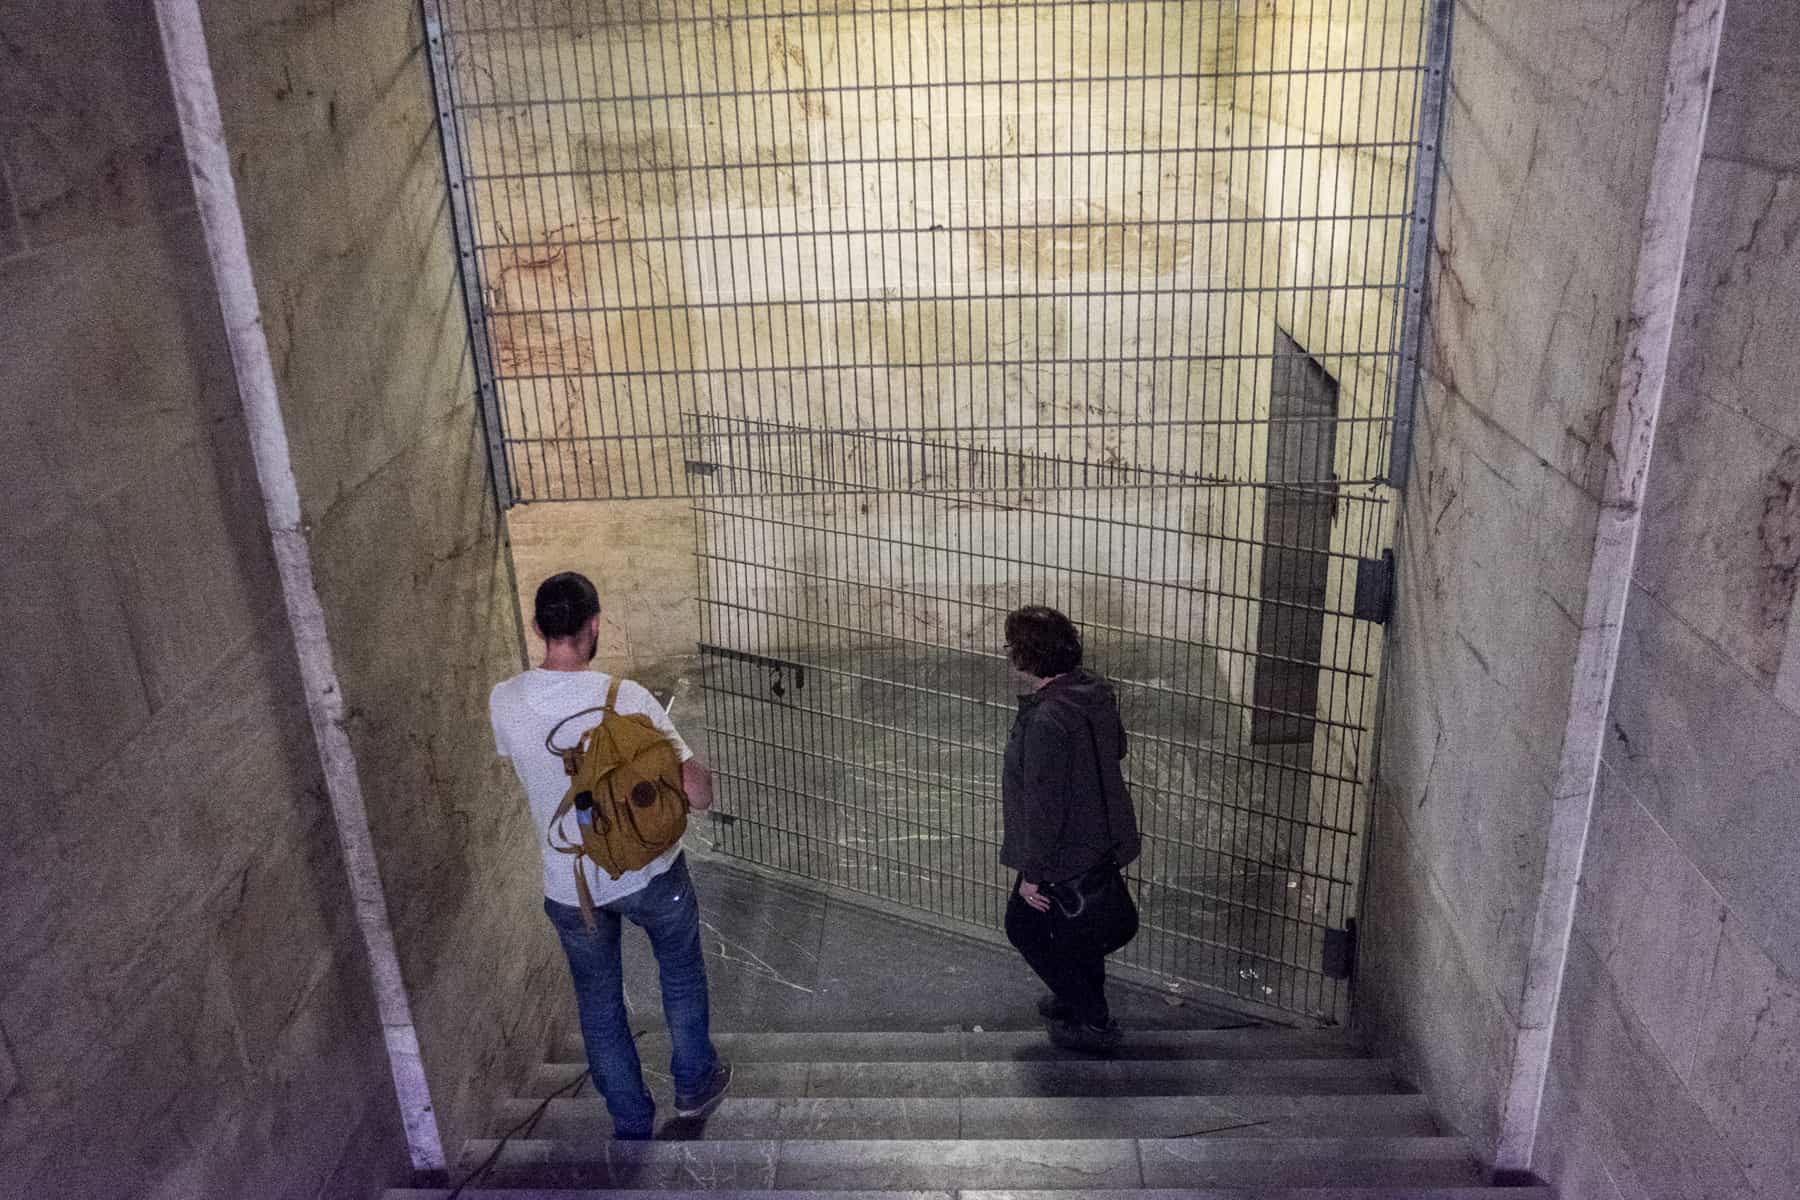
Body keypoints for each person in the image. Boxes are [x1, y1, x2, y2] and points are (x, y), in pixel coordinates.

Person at [489, 572, 731, 1139]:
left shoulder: (505, 699)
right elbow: (697, 794)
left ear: (538, 627)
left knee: (598, 1005)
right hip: (650, 873)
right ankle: (695, 1085)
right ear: (593, 625)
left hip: (568, 887)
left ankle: (630, 1119)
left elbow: (530, 763)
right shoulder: (627, 699)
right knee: (680, 974)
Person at [999, 605, 1142, 1054]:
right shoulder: (1092, 692)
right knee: (1080, 929)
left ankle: (1094, 1021)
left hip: (1065, 850)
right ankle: (1071, 997)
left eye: (1011, 646)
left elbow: (1044, 807)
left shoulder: (1045, 721)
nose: (1007, 654)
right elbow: (1116, 747)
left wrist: (1032, 875)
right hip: (1101, 833)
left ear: (1026, 657)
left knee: (1023, 925)